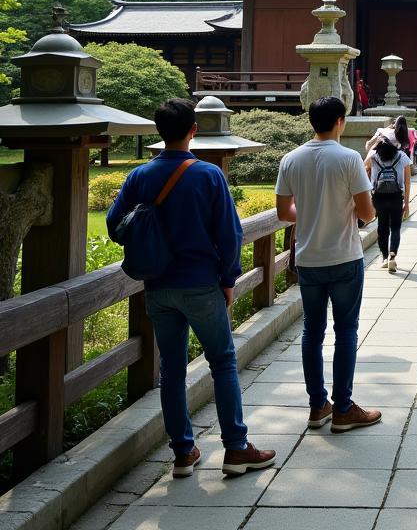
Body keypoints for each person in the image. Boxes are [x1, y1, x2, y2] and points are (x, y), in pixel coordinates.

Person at [106, 98, 275, 478]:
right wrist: (229, 279)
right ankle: (235, 447)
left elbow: (115, 226)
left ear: (158, 131)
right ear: (193, 130)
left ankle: (183, 452)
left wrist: (151, 244)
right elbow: (230, 234)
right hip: (201, 283)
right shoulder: (208, 175)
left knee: (172, 371)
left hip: (158, 287)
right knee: (223, 361)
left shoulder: (139, 176)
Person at [275, 97, 382, 433]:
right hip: (344, 256)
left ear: (311, 122)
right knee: (346, 331)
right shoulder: (349, 159)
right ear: (340, 121)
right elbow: (367, 213)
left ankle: (317, 404)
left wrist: (308, 214)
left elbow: (283, 213)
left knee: (312, 332)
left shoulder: (291, 159)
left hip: (309, 258)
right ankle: (344, 408)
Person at [365, 133, 412, 273]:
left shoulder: (374, 157)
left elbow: (363, 165)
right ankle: (392, 255)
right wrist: (407, 203)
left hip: (378, 196)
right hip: (396, 196)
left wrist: (373, 147)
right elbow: (407, 182)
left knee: (382, 227)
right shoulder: (402, 156)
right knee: (396, 228)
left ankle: (384, 257)